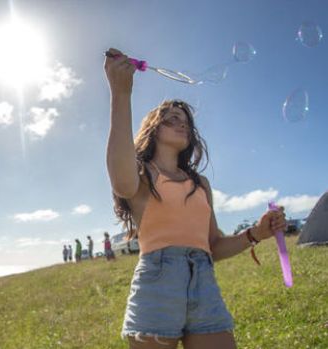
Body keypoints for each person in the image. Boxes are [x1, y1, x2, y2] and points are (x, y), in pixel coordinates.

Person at [104, 47, 287, 349]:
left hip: (204, 284)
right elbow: (121, 183)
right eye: (172, 118)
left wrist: (256, 233)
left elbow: (213, 246)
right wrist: (120, 93)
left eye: (185, 121)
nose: (182, 124)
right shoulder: (141, 174)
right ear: (152, 128)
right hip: (157, 285)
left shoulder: (199, 183)